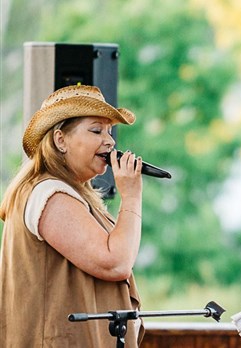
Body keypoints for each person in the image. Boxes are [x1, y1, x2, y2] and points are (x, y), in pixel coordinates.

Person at [0, 85, 144, 347]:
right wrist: (132, 197)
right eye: (96, 130)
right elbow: (115, 262)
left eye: (109, 131)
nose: (110, 141)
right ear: (60, 140)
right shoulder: (49, 193)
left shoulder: (70, 194)